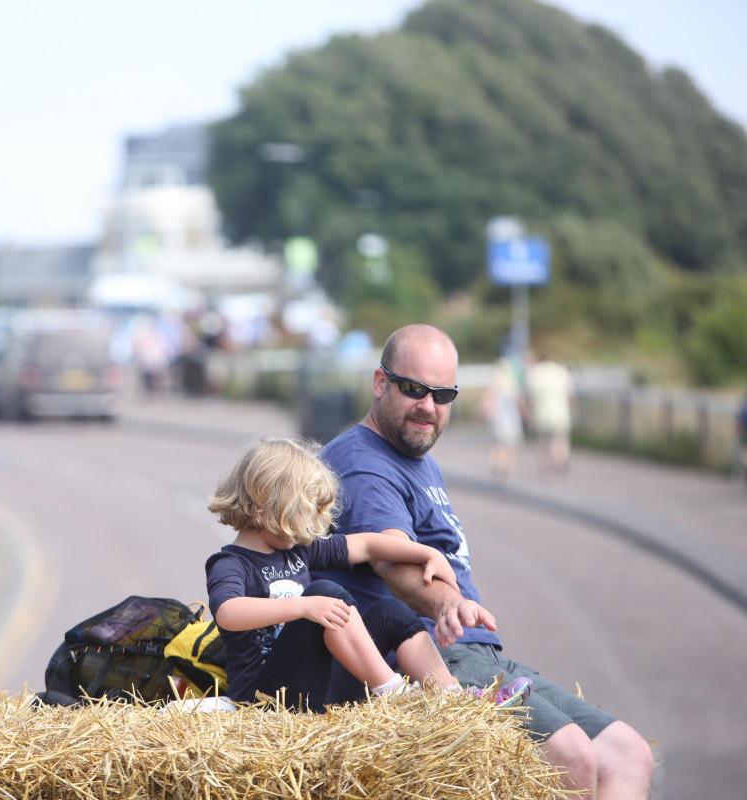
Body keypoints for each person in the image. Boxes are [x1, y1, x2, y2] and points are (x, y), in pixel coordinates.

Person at [317, 324, 653, 797]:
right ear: (380, 383)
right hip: (430, 657)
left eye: (443, 394)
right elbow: (394, 558)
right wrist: (446, 603)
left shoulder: (416, 457)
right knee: (569, 755)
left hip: (477, 651)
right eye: (413, 389)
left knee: (626, 753)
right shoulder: (362, 463)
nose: (428, 407)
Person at [204, 437, 530, 711]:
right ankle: (396, 696)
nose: (305, 529)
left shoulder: (297, 550)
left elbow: (368, 546)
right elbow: (229, 613)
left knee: (390, 612)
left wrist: (427, 553)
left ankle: (454, 702)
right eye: (298, 516)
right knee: (324, 592)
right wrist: (304, 607)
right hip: (270, 701)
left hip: (322, 687)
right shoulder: (231, 563)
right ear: (264, 507)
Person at [526, 350, 576, 473]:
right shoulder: (560, 371)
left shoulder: (535, 373)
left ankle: (545, 464)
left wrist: (528, 412)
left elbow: (530, 396)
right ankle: (560, 460)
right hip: (560, 411)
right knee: (561, 438)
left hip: (541, 412)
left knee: (543, 441)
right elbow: (569, 395)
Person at [481, 353, 524, 481]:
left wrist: (486, 412)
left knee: (497, 445)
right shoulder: (512, 384)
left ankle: (497, 465)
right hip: (511, 420)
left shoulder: (494, 382)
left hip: (497, 419)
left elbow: (487, 400)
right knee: (510, 446)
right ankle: (507, 469)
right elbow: (519, 401)